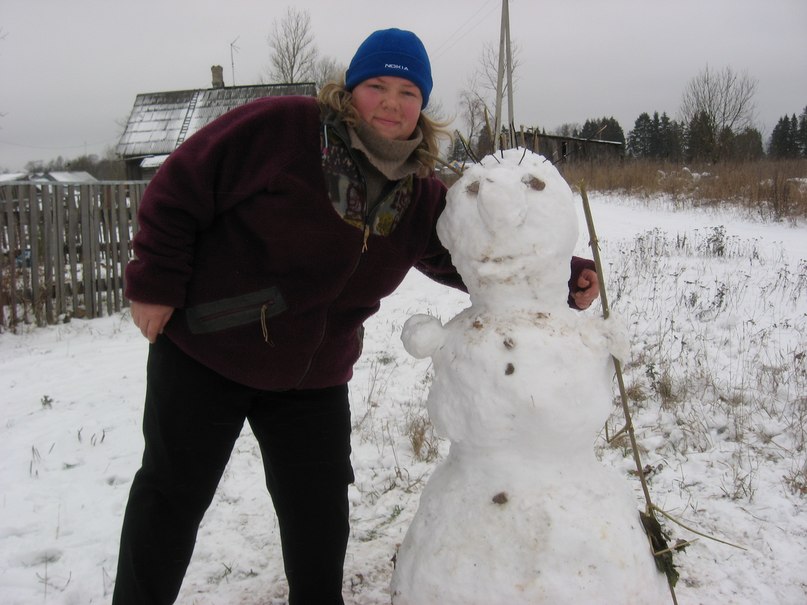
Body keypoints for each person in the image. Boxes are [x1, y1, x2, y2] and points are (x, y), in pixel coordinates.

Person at [112, 28, 600, 605]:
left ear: (423, 104)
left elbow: (466, 256)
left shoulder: (419, 194)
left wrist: (559, 277)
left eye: (407, 91)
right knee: (172, 495)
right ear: (351, 89)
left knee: (318, 512)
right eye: (377, 86)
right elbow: (180, 187)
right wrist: (154, 281)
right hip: (209, 349)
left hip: (311, 376)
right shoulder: (283, 129)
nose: (391, 103)